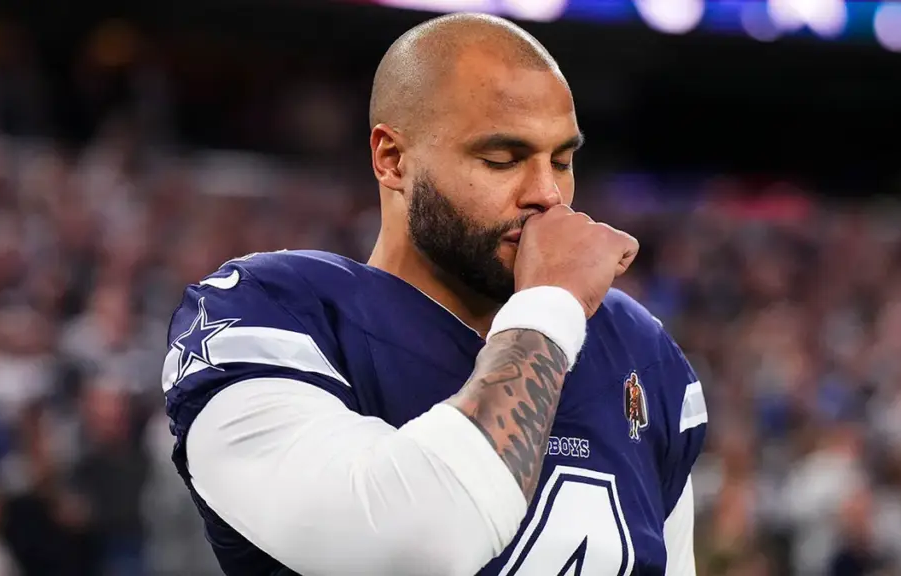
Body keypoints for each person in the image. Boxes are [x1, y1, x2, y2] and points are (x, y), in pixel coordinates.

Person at [161, 12, 707, 576]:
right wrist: (549, 309)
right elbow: (418, 545)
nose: (548, 195)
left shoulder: (637, 350)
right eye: (503, 160)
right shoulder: (272, 314)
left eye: (562, 161)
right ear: (392, 159)